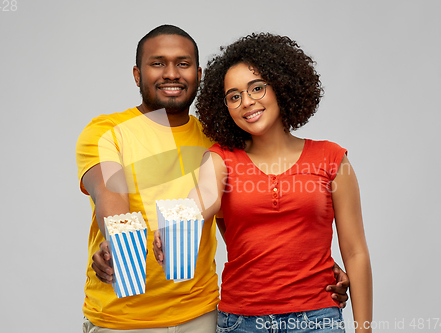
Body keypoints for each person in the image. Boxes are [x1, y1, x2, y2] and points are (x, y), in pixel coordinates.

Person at [78, 25, 350, 333]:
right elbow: (111, 195)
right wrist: (116, 242)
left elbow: (241, 221)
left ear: (199, 73)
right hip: (121, 320)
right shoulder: (106, 131)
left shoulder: (218, 142)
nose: (171, 73)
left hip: (202, 315)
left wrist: (307, 267)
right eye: (157, 63)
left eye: (183, 63)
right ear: (137, 74)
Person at [154, 32, 372, 332]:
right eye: (234, 96)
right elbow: (205, 195)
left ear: (281, 86)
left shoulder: (331, 158)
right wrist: (177, 220)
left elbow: (355, 250)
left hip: (317, 319)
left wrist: (364, 328)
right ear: (225, 107)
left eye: (256, 88)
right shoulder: (221, 158)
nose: (247, 102)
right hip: (241, 322)